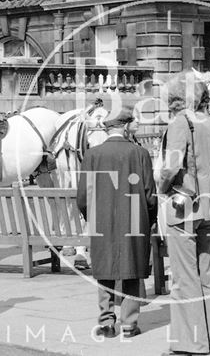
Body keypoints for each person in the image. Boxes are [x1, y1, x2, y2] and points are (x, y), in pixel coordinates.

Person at [157, 71, 210, 355]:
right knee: (207, 272)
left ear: (177, 99)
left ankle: (191, 343)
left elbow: (171, 165)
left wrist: (163, 188)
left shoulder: (180, 122)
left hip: (184, 207)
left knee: (183, 277)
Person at [77, 104, 157, 339]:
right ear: (123, 127)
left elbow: (83, 195)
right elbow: (150, 193)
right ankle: (129, 324)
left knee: (105, 270)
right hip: (134, 219)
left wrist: (90, 216)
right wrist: (149, 219)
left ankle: (106, 322)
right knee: (132, 270)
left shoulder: (92, 155)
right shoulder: (139, 154)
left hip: (102, 221)